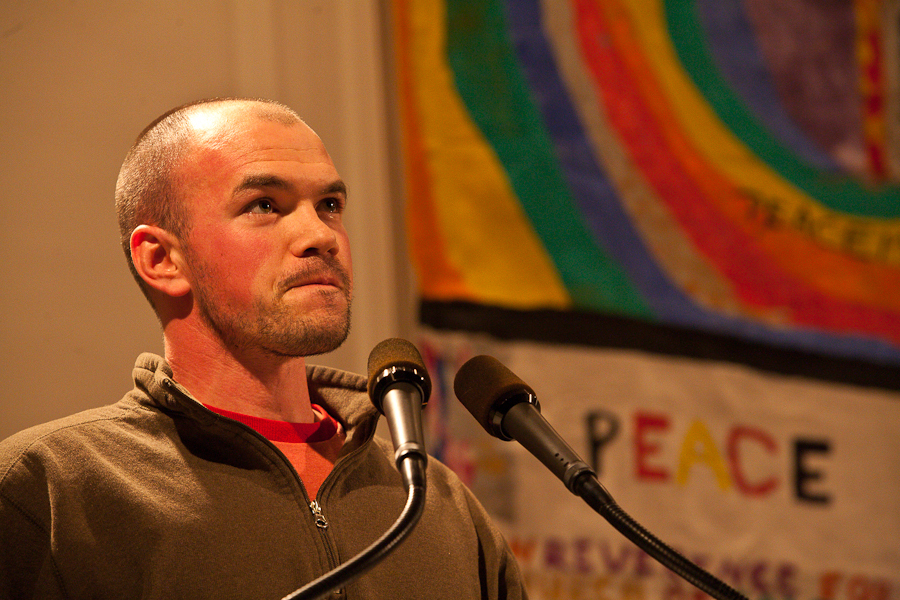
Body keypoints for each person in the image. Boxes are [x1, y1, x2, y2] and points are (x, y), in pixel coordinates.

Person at [0, 98, 527, 599]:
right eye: (265, 205)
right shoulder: (49, 489)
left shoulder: (439, 503)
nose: (319, 234)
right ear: (162, 258)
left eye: (329, 205)